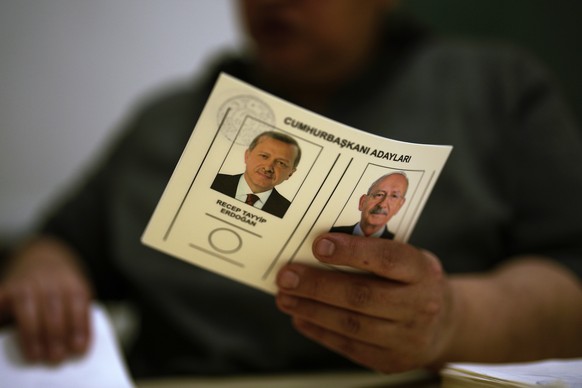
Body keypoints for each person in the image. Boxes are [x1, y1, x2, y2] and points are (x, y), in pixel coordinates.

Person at [1, 0, 582, 379]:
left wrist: (452, 320)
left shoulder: (496, 89)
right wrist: (45, 269)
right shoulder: (164, 122)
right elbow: (63, 242)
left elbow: (571, 272)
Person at [211, 130, 301, 218]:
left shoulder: (289, 212)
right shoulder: (211, 180)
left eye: (281, 163)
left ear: (290, 173)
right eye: (264, 156)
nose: (268, 168)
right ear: (247, 156)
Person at [330, 172, 408, 239]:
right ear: (362, 202)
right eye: (379, 195)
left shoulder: (398, 242)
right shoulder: (332, 233)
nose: (382, 204)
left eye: (394, 196)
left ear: (399, 206)